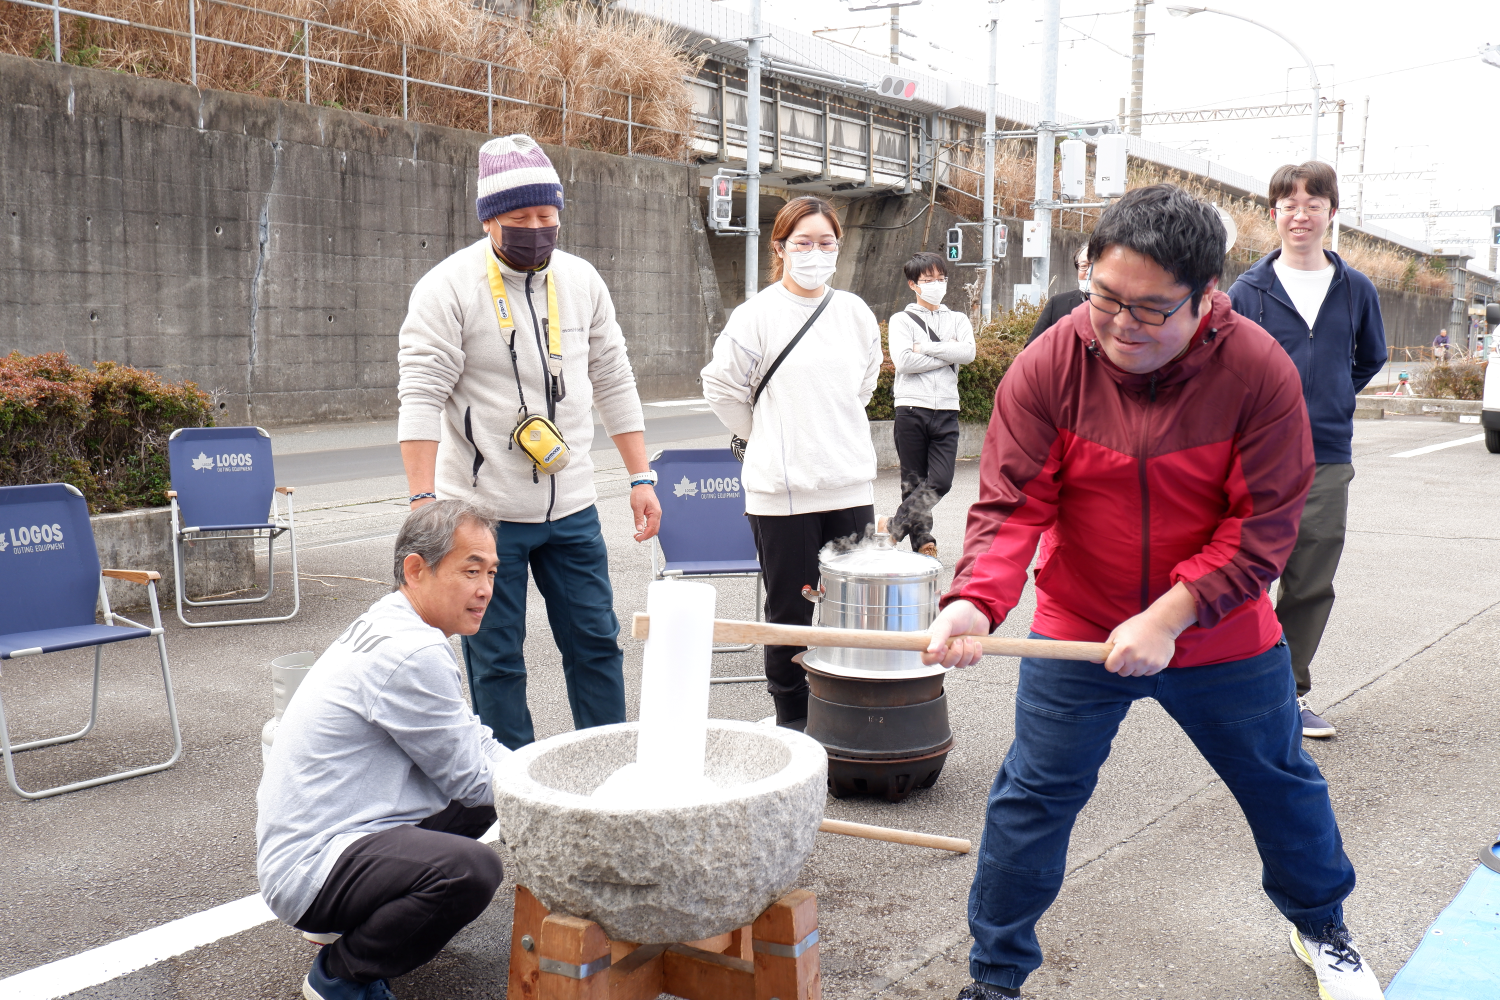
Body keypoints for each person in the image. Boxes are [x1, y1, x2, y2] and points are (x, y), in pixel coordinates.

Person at [925, 185, 1383, 1000]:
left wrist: (1172, 614)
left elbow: (1263, 526)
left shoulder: (1257, 372)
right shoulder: (1052, 363)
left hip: (1220, 631)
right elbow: (1011, 501)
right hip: (1081, 625)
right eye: (1105, 297)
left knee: (1279, 783)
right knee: (1032, 796)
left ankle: (1322, 926)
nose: (1119, 326)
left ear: (1207, 298)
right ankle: (994, 975)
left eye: (1150, 311)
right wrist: (975, 601)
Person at [396, 134, 661, 750]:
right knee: (497, 658)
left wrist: (641, 477)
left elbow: (613, 378)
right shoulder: (447, 287)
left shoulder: (582, 280)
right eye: (520, 219)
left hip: (571, 506)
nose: (537, 230)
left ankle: (606, 766)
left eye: (548, 216)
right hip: (483, 515)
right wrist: (422, 502)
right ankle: (510, 787)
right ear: (490, 219)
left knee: (596, 640)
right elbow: (421, 397)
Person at [257, 500, 510, 1000]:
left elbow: (467, 737)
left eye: (491, 572)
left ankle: (358, 920)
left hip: (322, 837)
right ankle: (340, 976)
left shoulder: (396, 620)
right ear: (416, 569)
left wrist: (526, 770)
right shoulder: (412, 651)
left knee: (483, 801)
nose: (485, 589)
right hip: (311, 866)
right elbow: (472, 778)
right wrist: (557, 793)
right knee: (471, 869)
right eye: (471, 570)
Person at [701, 196, 883, 730]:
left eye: (825, 243)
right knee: (790, 616)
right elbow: (720, 386)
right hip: (782, 495)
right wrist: (764, 435)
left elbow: (864, 385)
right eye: (802, 243)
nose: (815, 253)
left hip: (849, 486)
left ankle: (848, 718)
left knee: (856, 613)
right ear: (779, 248)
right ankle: (793, 723)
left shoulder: (853, 313)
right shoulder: (756, 315)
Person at [1227, 160, 1387, 740]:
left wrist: (1333, 396)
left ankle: (1288, 694)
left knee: (1312, 578)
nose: (1301, 214)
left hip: (1325, 454)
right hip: (1255, 456)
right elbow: (1224, 370)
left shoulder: (1356, 288)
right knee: (1247, 575)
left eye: (1313, 204)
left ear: (1330, 213)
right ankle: (1241, 689)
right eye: (1289, 204)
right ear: (1274, 214)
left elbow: (1369, 357)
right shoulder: (1247, 291)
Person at [887, 250, 976, 556]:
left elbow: (967, 353)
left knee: (941, 480)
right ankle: (924, 541)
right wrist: (946, 350)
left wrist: (925, 347)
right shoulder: (901, 320)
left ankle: (893, 527)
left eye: (941, 278)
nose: (937, 284)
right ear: (913, 284)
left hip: (948, 409)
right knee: (912, 480)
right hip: (911, 406)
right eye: (929, 279)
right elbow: (904, 361)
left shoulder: (958, 319)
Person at [1026, 242, 1090, 345]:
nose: (1088, 272)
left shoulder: (1119, 307)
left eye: (1095, 265)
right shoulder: (1057, 303)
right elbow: (1032, 348)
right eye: (1084, 266)